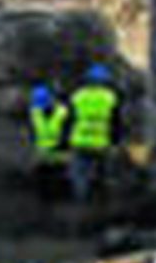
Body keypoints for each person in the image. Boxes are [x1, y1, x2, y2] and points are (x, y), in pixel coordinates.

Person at [67, 65, 119, 208]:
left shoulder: (77, 96)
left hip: (80, 141)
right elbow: (116, 122)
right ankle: (103, 206)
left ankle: (81, 205)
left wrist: (66, 140)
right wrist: (115, 142)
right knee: (104, 175)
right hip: (101, 143)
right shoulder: (110, 98)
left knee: (79, 175)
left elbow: (69, 120)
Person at [27, 82, 69, 204]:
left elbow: (32, 133)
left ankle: (50, 201)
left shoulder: (36, 112)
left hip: (52, 152)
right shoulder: (60, 111)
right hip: (52, 152)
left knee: (50, 180)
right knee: (49, 180)